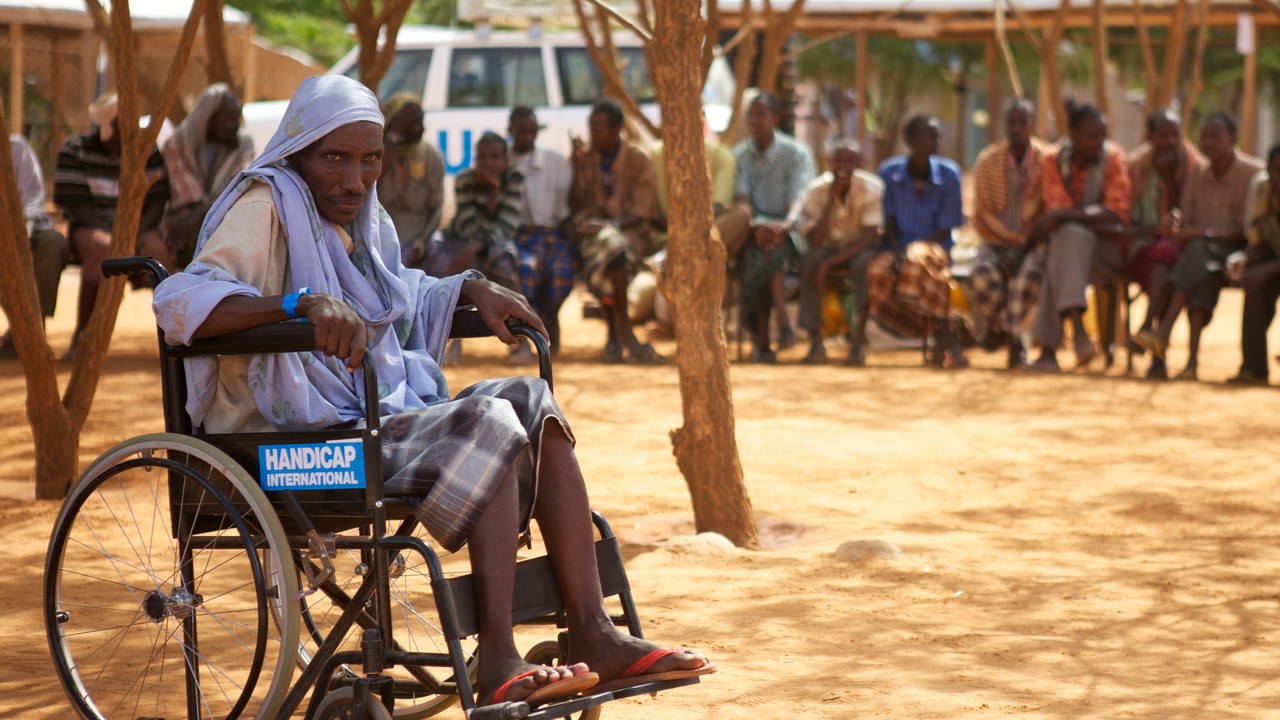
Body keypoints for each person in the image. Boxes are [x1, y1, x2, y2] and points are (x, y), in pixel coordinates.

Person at [151, 75, 713, 709]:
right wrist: (296, 306)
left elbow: (393, 294)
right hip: (286, 439)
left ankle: (593, 629)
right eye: (334, 158)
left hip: (360, 416)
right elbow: (180, 302)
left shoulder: (361, 217)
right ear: (298, 151)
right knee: (487, 420)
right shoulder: (267, 203)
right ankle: (497, 655)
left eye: (369, 161)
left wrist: (468, 286)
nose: (354, 179)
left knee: (533, 404)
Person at [1134, 112, 1264, 380]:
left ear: (1233, 138)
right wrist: (1179, 223)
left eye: (1215, 136)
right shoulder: (1197, 173)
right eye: (1204, 136)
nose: (1208, 142)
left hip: (1236, 252)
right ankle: (1190, 363)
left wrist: (1201, 234)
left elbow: (1245, 231)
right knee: (1197, 269)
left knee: (1196, 253)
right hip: (1202, 257)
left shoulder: (1253, 174)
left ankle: (1161, 332)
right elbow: (1187, 216)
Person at [55, 92, 173, 354]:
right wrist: (117, 238)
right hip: (92, 227)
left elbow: (157, 201)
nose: (131, 132)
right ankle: (82, 338)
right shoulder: (74, 151)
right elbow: (77, 205)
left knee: (160, 254)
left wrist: (134, 235)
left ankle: (174, 340)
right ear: (107, 128)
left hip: (140, 229)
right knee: (103, 247)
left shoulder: (146, 150)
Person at [1027, 104, 1131, 373]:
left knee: (1064, 242)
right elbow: (1056, 210)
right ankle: (1078, 331)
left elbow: (1115, 213)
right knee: (1067, 241)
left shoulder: (1114, 158)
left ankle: (1050, 350)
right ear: (1071, 133)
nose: (1098, 142)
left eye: (1102, 135)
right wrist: (1073, 217)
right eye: (1090, 135)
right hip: (1068, 251)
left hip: (1107, 253)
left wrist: (1064, 215)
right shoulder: (1052, 159)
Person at [568, 99, 663, 364]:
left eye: (599, 129)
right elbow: (576, 206)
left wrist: (610, 225)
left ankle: (617, 332)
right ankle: (622, 333)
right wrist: (577, 169)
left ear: (617, 128)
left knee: (614, 250)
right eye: (591, 128)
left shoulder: (638, 158)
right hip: (593, 235)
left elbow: (643, 210)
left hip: (630, 231)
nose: (593, 134)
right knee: (611, 252)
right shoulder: (586, 158)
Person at [869, 115, 967, 368]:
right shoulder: (889, 173)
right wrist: (899, 250)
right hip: (895, 246)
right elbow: (888, 220)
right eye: (931, 135)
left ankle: (940, 337)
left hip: (934, 248)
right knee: (877, 271)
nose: (938, 141)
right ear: (912, 140)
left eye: (938, 136)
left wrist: (913, 251)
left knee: (919, 262)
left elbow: (946, 228)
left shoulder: (949, 174)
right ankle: (941, 337)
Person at [732, 92, 815, 363]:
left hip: (789, 230)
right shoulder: (741, 154)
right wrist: (758, 226)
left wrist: (785, 225)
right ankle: (779, 324)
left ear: (775, 118)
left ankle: (763, 338)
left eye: (761, 114)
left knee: (769, 254)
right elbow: (742, 200)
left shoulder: (796, 153)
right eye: (751, 114)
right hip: (754, 230)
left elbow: (800, 197)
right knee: (764, 254)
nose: (754, 120)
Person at [968, 98, 1048, 368]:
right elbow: (983, 210)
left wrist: (1023, 242)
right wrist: (1008, 238)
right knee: (980, 277)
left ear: (1032, 125)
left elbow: (1047, 207)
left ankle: (1011, 341)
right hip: (995, 240)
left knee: (1025, 280)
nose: (1016, 128)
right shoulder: (988, 160)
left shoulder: (1046, 160)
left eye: (1022, 122)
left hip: (1034, 242)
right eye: (1011, 123)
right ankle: (1009, 332)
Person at [790, 140, 882, 366]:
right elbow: (815, 240)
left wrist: (828, 265)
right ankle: (815, 342)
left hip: (858, 248)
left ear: (859, 164)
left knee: (865, 266)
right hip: (826, 247)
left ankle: (858, 344)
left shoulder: (873, 189)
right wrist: (831, 200)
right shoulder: (816, 190)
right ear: (830, 163)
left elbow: (870, 238)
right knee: (810, 260)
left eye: (849, 161)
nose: (842, 166)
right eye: (838, 160)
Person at [1124, 108, 1199, 379]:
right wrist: (1156, 230)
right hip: (1140, 246)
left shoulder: (1192, 166)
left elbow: (1190, 215)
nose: (1170, 141)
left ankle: (1147, 328)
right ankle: (1157, 352)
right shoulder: (1135, 166)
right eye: (1163, 135)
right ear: (1150, 136)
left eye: (1175, 135)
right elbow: (1125, 218)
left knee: (1167, 258)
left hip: (1179, 248)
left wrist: (1170, 178)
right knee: (1164, 267)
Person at [161, 83, 254, 267]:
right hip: (182, 224)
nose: (236, 126)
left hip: (225, 220)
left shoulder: (243, 144)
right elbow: (187, 196)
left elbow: (241, 187)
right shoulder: (177, 144)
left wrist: (203, 211)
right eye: (230, 120)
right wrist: (208, 208)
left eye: (238, 119)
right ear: (209, 118)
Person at [508, 106, 575, 354]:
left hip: (550, 234)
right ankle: (525, 333)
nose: (527, 137)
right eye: (521, 131)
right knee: (526, 271)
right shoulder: (502, 160)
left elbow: (565, 210)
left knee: (561, 272)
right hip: (519, 236)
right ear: (511, 132)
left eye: (531, 131)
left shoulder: (554, 161)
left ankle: (549, 318)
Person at [0, 134, 71, 358]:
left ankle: (32, 331)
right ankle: (21, 331)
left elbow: (33, 199)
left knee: (53, 244)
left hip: (26, 229)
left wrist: (22, 233)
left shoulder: (15, 148)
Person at [431, 131, 523, 291]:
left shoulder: (514, 177)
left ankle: (511, 314)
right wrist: (476, 245)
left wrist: (493, 191)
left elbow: (507, 228)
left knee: (504, 267)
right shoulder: (464, 180)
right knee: (447, 268)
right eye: (483, 157)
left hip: (491, 244)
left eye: (495, 157)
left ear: (506, 161)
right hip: (459, 239)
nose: (488, 163)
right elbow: (470, 232)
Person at [1228, 143, 1280, 385]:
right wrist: (1245, 260)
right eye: (1276, 170)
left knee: (1260, 276)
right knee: (1254, 285)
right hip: (1273, 256)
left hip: (1274, 264)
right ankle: (1254, 367)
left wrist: (1266, 269)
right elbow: (1259, 239)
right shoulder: (1261, 188)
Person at [379, 94, 445, 272]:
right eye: (409, 124)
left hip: (419, 241)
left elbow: (436, 207)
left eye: (420, 123)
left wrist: (422, 240)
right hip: (382, 242)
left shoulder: (431, 156)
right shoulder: (378, 155)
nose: (419, 129)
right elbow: (371, 182)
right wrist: (393, 137)